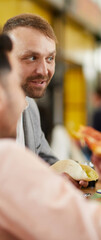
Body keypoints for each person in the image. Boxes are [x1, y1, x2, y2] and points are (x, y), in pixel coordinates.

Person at [0, 33, 101, 240]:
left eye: (50, 58)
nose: (23, 102)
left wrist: (54, 182)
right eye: (14, 85)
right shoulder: (6, 159)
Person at [2, 13, 58, 165]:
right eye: (32, 58)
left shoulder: (30, 107)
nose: (44, 71)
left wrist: (70, 174)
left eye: (50, 59)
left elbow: (46, 161)